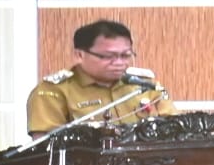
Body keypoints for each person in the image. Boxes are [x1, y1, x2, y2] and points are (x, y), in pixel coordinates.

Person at [25, 19, 177, 136]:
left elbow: (175, 131)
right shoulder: (53, 92)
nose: (119, 63)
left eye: (125, 55)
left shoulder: (145, 86)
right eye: (108, 56)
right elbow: (46, 150)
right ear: (79, 55)